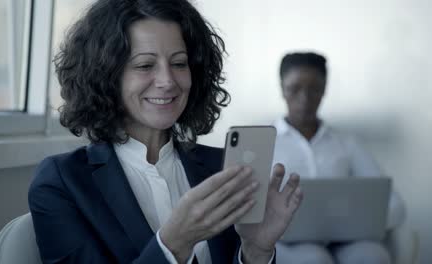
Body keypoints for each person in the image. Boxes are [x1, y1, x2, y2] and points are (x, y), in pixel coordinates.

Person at [28, 0, 303, 263]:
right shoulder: (62, 182)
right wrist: (174, 244)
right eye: (145, 65)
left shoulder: (222, 169)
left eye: (179, 63)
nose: (168, 81)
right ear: (106, 76)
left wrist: (255, 251)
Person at [272, 52, 406, 264]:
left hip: (345, 240)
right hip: (285, 241)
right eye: (295, 88)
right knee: (315, 260)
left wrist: (357, 225)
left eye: (314, 89)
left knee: (373, 255)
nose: (304, 99)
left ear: (324, 89)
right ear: (282, 88)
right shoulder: (267, 142)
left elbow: (395, 205)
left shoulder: (347, 144)